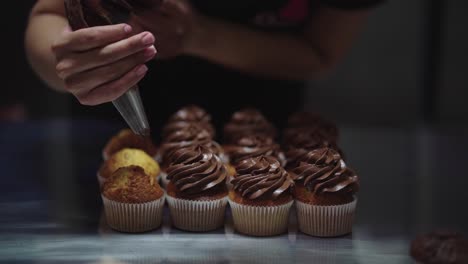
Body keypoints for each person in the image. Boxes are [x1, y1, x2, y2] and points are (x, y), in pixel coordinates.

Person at [25, 0, 382, 137]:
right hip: (112, 128)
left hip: (267, 137)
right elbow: (51, 14)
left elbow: (319, 54)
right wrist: (65, 63)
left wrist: (200, 36)